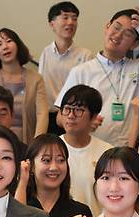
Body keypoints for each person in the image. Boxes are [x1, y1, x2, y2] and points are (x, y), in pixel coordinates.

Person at [56, 7, 139, 147]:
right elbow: (60, 117)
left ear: (134, 44)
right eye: (116, 27)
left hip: (133, 151)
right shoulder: (81, 71)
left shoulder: (138, 66)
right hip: (95, 150)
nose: (118, 35)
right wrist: (82, 123)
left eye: (127, 33)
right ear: (107, 26)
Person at [15, 133, 92, 217]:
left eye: (61, 160)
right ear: (31, 165)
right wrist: (22, 182)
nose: (54, 167)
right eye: (46, 160)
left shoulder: (80, 212)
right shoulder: (22, 205)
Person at [0, 28, 48, 143]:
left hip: (27, 141)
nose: (5, 47)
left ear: (18, 45)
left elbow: (42, 113)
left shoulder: (35, 79)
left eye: (9, 41)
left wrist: (37, 145)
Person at [39, 2, 93, 136]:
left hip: (73, 117)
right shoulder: (45, 52)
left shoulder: (85, 55)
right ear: (52, 24)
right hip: (48, 116)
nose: (71, 22)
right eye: (65, 17)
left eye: (74, 18)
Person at [59, 85, 112, 217]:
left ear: (94, 116)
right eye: (67, 109)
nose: (71, 115)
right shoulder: (50, 149)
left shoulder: (107, 152)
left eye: (78, 110)